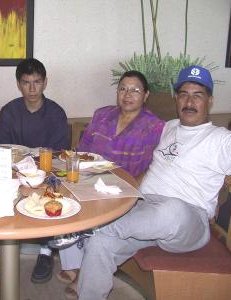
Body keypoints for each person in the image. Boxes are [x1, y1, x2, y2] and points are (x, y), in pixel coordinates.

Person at [76, 65, 231, 300]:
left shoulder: (221, 139)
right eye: (183, 94)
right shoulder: (168, 127)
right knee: (99, 244)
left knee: (171, 210)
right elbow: (148, 166)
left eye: (197, 95)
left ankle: (87, 226)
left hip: (188, 219)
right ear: (176, 99)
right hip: (145, 213)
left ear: (209, 100)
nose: (189, 101)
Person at [56, 71, 165, 299]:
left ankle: (84, 272)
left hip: (124, 191)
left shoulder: (155, 126)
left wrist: (132, 188)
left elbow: (156, 164)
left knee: (91, 216)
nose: (128, 94)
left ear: (146, 95)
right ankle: (75, 264)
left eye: (135, 90)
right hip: (91, 181)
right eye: (123, 89)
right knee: (61, 197)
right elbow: (81, 150)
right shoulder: (102, 115)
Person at [0, 58, 69, 283]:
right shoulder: (9, 111)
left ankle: (45, 252)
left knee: (52, 187)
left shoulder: (56, 113)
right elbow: (0, 149)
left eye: (37, 82)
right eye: (26, 82)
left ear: (45, 82)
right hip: (14, 172)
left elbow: (58, 154)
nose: (32, 88)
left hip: (47, 173)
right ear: (18, 84)